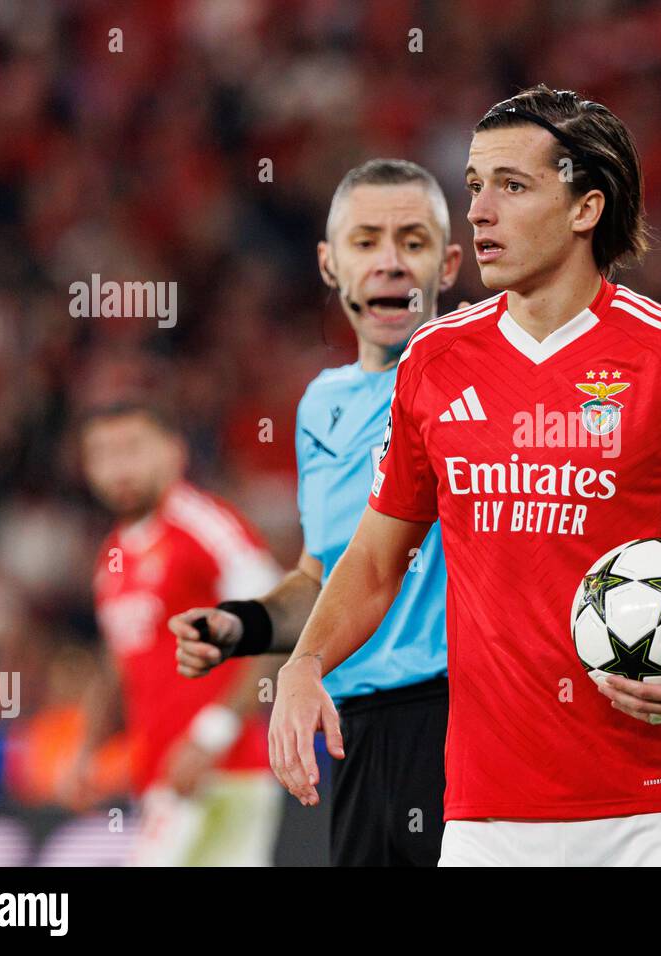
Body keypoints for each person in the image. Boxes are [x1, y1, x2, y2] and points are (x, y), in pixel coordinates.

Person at [265, 85, 661, 866]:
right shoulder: (434, 361)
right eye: (473, 186)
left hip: (651, 813)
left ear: (585, 209)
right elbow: (373, 560)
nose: (480, 211)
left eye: (513, 185)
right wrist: (303, 665)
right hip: (483, 819)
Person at [170, 159, 462, 866]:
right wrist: (245, 625)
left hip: (466, 727)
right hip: (352, 733)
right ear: (330, 264)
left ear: (448, 265)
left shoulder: (483, 380)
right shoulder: (320, 405)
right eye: (366, 242)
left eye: (413, 241)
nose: (390, 262)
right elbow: (321, 576)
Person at [74, 402, 284, 865]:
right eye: (102, 454)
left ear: (173, 452)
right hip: (160, 778)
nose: (118, 467)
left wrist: (211, 737)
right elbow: (122, 661)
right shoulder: (113, 556)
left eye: (132, 448)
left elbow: (274, 621)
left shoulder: (203, 524)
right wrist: (89, 747)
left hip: (220, 774)